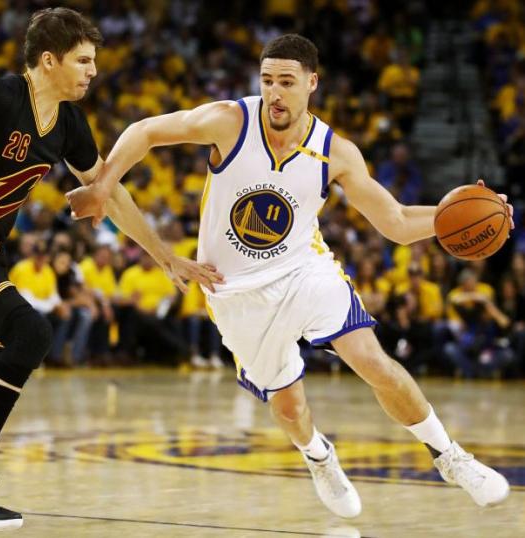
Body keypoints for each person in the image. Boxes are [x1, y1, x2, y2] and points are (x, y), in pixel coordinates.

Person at [68, 34, 512, 518]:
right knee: (290, 410)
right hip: (233, 291)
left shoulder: (335, 152)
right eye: (267, 81)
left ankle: (449, 456)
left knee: (372, 361)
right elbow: (145, 130)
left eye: (287, 82)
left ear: (311, 84)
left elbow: (397, 223)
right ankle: (319, 456)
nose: (275, 93)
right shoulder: (230, 121)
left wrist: (457, 213)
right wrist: (103, 185)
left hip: (304, 269)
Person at [0, 7, 221, 531]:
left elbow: (111, 195)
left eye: (94, 60)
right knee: (31, 331)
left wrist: (166, 255)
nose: (93, 71)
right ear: (48, 61)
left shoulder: (70, 125)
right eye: (83, 60)